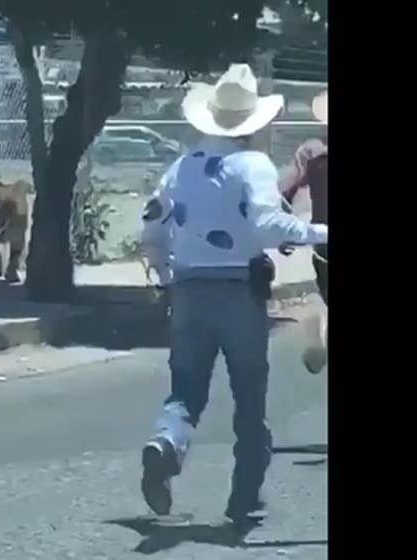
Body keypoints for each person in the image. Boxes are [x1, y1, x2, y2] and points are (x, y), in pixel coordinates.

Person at [139, 64, 329, 524]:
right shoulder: (252, 165)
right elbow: (267, 225)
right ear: (254, 123)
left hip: (187, 290)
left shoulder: (181, 167)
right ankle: (244, 497)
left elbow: (151, 228)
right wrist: (318, 232)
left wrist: (166, 276)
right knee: (249, 396)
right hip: (239, 291)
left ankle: (167, 441)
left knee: (185, 389)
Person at [279, 91, 328, 373]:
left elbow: (289, 191)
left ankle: (317, 335)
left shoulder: (312, 156)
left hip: (324, 240)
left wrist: (285, 232)